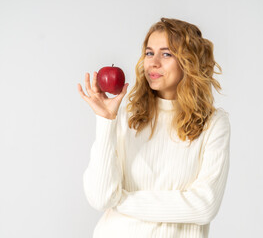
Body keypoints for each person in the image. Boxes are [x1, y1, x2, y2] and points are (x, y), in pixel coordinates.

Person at [77, 17, 231, 238]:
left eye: (166, 54)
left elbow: (204, 206)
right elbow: (101, 198)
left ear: (189, 61)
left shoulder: (213, 124)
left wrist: (120, 199)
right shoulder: (128, 116)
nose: (153, 63)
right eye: (149, 53)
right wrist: (105, 120)